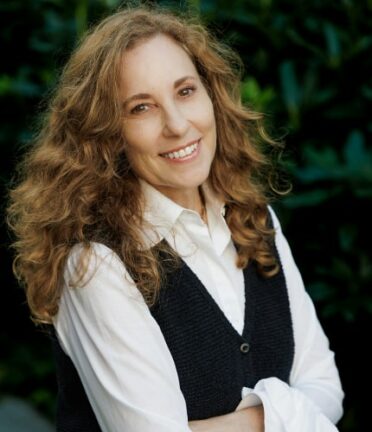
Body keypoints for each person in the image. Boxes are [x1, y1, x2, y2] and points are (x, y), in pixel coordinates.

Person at [7, 4, 344, 432]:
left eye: (185, 91)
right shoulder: (96, 263)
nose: (178, 125)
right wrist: (281, 414)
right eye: (141, 108)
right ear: (108, 133)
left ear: (212, 95)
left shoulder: (255, 220)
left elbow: (326, 388)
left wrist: (249, 418)